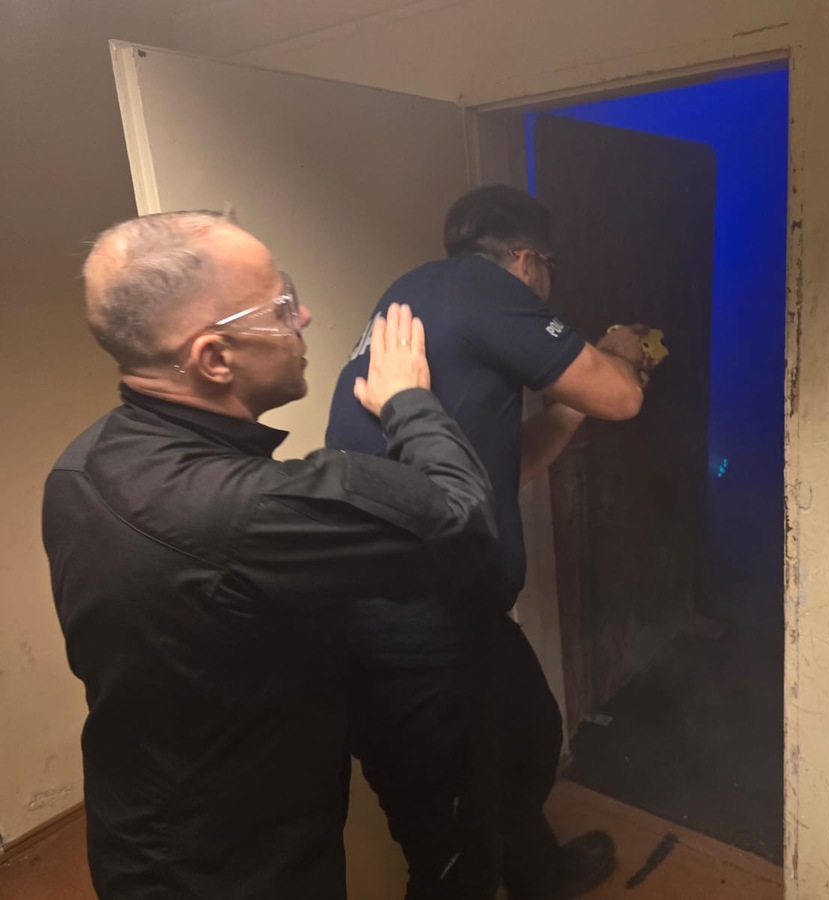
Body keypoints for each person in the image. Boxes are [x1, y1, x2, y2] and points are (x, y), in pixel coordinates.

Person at [42, 210, 497, 900]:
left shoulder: (83, 461)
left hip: (144, 829)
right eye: (282, 307)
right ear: (214, 359)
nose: (303, 316)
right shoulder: (244, 509)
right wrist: (409, 399)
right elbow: (462, 520)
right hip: (234, 870)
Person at [326, 185, 653, 899]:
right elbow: (622, 396)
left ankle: (539, 876)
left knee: (527, 739)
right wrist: (618, 355)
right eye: (550, 269)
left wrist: (567, 410)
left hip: (455, 609)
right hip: (407, 631)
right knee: (451, 855)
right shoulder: (486, 289)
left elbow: (503, 468)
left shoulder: (424, 294)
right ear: (527, 259)